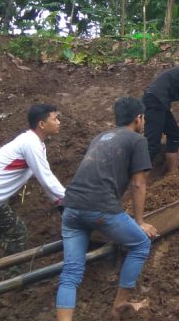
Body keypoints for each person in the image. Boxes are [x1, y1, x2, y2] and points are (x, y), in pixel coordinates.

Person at [56, 96, 157, 321]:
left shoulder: (100, 137)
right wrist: (140, 222)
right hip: (99, 209)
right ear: (138, 118)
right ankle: (120, 304)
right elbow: (138, 183)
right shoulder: (136, 140)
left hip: (70, 207)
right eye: (144, 118)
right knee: (140, 243)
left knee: (71, 273)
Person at [0, 104, 65, 262]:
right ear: (42, 124)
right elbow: (47, 179)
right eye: (55, 119)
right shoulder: (30, 143)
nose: (59, 122)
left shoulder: (37, 145)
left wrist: (60, 203)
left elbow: (44, 178)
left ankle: (13, 283)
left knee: (16, 235)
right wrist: (71, 200)